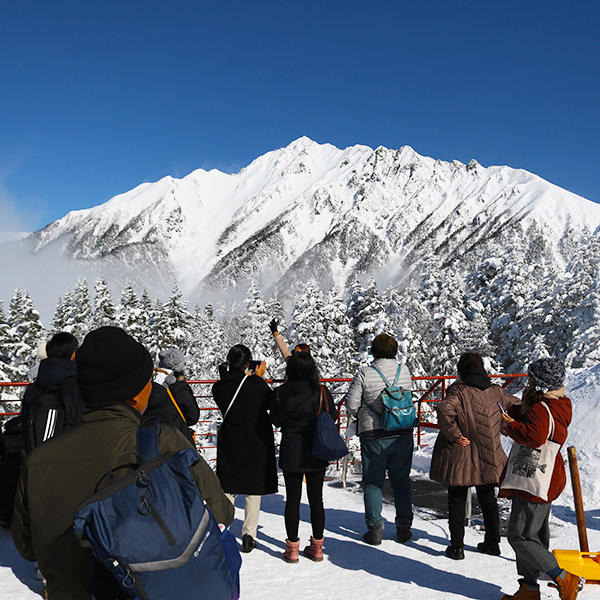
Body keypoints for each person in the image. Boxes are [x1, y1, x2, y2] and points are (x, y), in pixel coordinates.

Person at [11, 326, 233, 599]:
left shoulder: (38, 462)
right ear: (137, 394)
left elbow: (26, 546)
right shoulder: (165, 442)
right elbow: (222, 512)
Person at [499, 358, 584, 600]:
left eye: (532, 378)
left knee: (520, 536)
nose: (528, 381)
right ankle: (529, 589)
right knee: (533, 535)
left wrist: (510, 426)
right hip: (546, 476)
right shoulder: (557, 403)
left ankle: (564, 578)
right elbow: (533, 422)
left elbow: (533, 436)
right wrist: (519, 411)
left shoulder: (541, 407)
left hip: (534, 478)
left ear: (540, 383)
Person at [429, 352, 518, 560]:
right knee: (488, 498)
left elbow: (444, 410)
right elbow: (517, 405)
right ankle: (493, 543)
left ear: (461, 371)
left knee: (457, 499)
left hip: (462, 453)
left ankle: (457, 547)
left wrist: (455, 435)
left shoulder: (459, 392)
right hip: (490, 452)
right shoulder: (496, 391)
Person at [345, 332, 414, 545]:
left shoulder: (365, 373)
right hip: (402, 431)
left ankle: (375, 530)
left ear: (373, 351)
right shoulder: (405, 370)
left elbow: (351, 404)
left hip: (373, 435)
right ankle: (404, 527)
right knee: (401, 482)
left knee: (373, 482)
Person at [271, 351, 338, 563]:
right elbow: (333, 415)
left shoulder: (280, 392)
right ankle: (317, 547)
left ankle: (292, 549)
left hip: (292, 451)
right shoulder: (321, 391)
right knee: (316, 499)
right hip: (317, 450)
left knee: (292, 500)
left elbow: (276, 420)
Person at [212, 344, 278, 553]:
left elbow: (228, 387)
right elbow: (269, 402)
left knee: (228, 488)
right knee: (252, 490)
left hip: (230, 440)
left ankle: (223, 529)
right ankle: (249, 535)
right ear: (248, 363)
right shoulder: (256, 384)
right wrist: (257, 378)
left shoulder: (218, 387)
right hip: (255, 441)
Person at [20, 331, 84, 453]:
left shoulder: (33, 389)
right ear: (74, 356)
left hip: (37, 462)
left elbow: (25, 428)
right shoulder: (81, 386)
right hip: (73, 459)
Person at [144, 348, 200, 444]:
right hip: (178, 440)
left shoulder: (149, 384)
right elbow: (193, 417)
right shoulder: (180, 388)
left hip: (152, 440)